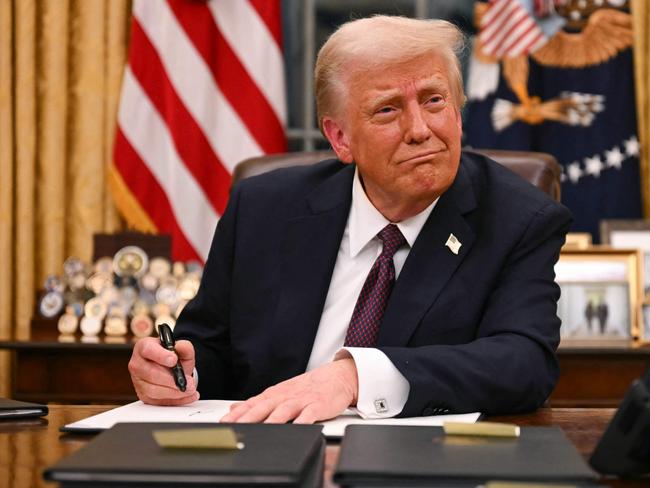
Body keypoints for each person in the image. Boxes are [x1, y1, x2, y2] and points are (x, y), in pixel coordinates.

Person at [128, 15, 572, 423]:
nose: (420, 129)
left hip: (422, 467)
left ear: (457, 112)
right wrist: (175, 373)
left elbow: (525, 363)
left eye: (434, 100)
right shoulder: (263, 209)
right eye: (388, 109)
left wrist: (355, 377)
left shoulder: (518, 219)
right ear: (340, 138)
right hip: (265, 455)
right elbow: (207, 349)